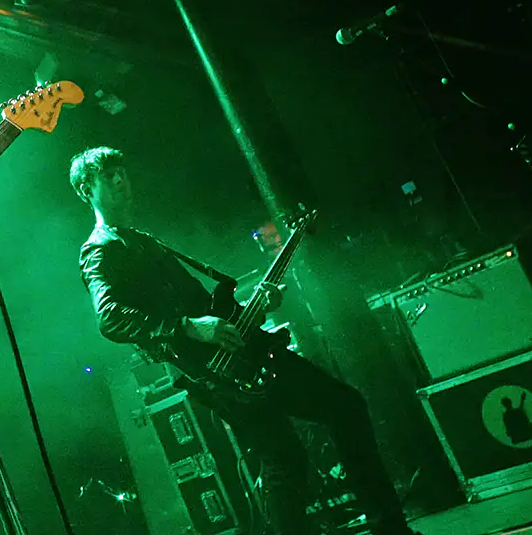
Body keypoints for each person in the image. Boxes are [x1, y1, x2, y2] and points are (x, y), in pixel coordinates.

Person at [68, 146, 419, 535]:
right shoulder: (100, 249)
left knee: (295, 447)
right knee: (310, 435)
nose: (120, 180)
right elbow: (111, 317)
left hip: (237, 353)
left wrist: (252, 311)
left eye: (122, 171)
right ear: (87, 189)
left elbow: (210, 308)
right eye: (107, 175)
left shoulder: (144, 241)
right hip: (212, 371)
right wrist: (186, 325)